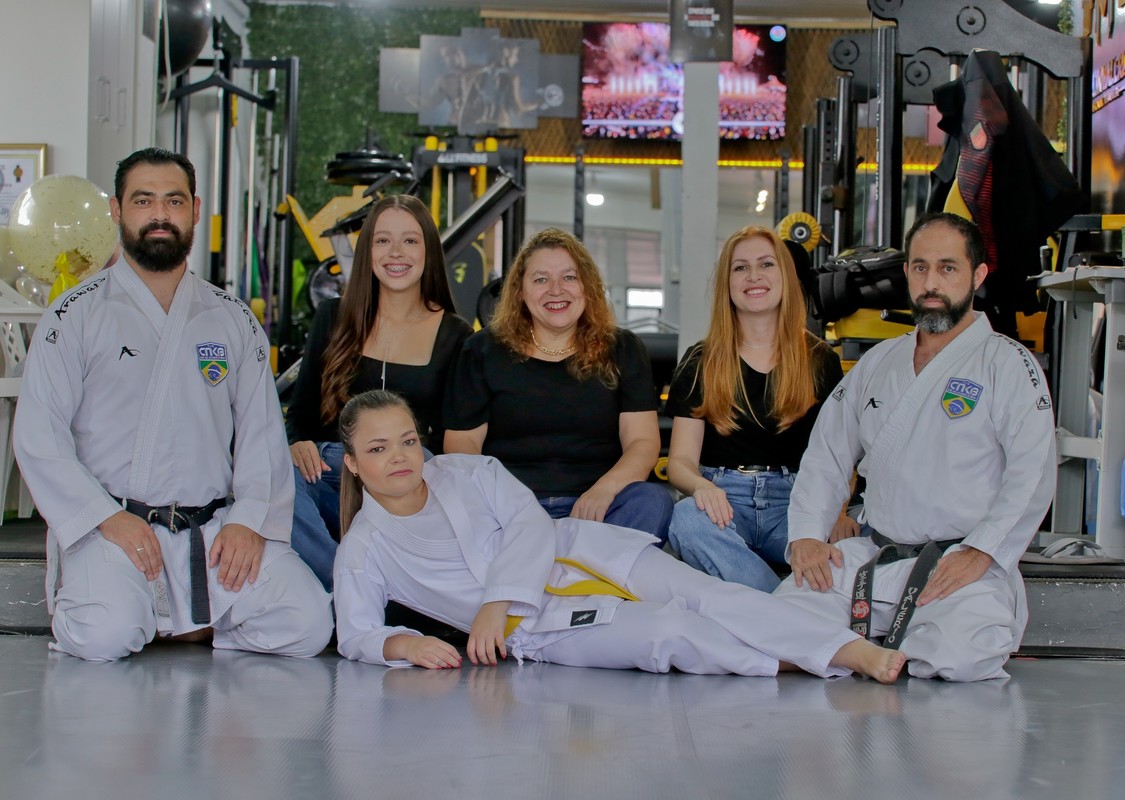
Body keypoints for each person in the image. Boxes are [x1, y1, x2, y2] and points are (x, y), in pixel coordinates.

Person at [333, 389, 906, 683]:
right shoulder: (364, 546)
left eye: (407, 440)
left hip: (578, 551)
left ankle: (847, 650)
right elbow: (356, 633)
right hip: (540, 630)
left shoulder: (467, 472)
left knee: (708, 595)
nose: (400, 456)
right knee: (669, 632)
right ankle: (791, 661)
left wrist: (493, 601)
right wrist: (406, 645)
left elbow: (528, 521)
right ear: (353, 463)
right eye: (378, 449)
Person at [13, 147, 332, 661]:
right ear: (117, 210)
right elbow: (39, 436)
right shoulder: (74, 315)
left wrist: (249, 521)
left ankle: (181, 626)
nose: (159, 214)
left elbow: (262, 434)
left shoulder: (231, 317)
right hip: (116, 527)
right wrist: (104, 518)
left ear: (195, 210)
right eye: (143, 200)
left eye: (174, 200)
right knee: (104, 634)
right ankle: (180, 621)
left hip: (212, 530)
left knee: (307, 622)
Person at [773, 213, 1057, 681]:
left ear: (977, 275)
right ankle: (874, 651)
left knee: (961, 656)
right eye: (921, 267)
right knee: (775, 626)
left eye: (948, 268)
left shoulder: (1007, 364)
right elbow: (826, 454)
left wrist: (982, 552)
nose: (931, 283)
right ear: (906, 272)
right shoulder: (879, 361)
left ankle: (864, 648)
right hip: (874, 557)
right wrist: (806, 534)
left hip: (955, 565)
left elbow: (1033, 473)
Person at [286, 195, 471, 591]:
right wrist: (297, 443)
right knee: (275, 476)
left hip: (407, 481)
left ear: (428, 251)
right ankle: (345, 586)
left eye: (410, 240)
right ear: (367, 251)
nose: (396, 252)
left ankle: (365, 587)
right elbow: (299, 415)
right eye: (383, 240)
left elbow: (453, 441)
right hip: (333, 472)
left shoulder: (455, 334)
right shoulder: (332, 317)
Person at [443, 227, 673, 543]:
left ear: (587, 287)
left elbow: (642, 443)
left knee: (653, 501)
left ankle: (568, 565)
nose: (556, 290)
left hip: (597, 509)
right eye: (541, 279)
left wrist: (603, 491)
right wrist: (504, 501)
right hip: (506, 509)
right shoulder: (482, 350)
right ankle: (575, 566)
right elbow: (462, 444)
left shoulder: (623, 349)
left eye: (569, 277)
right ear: (520, 291)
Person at [666, 226, 859, 592]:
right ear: (727, 284)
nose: (753, 275)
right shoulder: (701, 360)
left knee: (851, 542)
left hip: (796, 501)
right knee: (685, 520)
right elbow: (680, 462)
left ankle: (751, 601)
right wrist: (701, 487)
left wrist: (837, 511)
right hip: (724, 500)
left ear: (784, 276)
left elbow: (840, 453)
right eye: (740, 267)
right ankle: (780, 606)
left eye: (766, 264)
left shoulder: (819, 359)